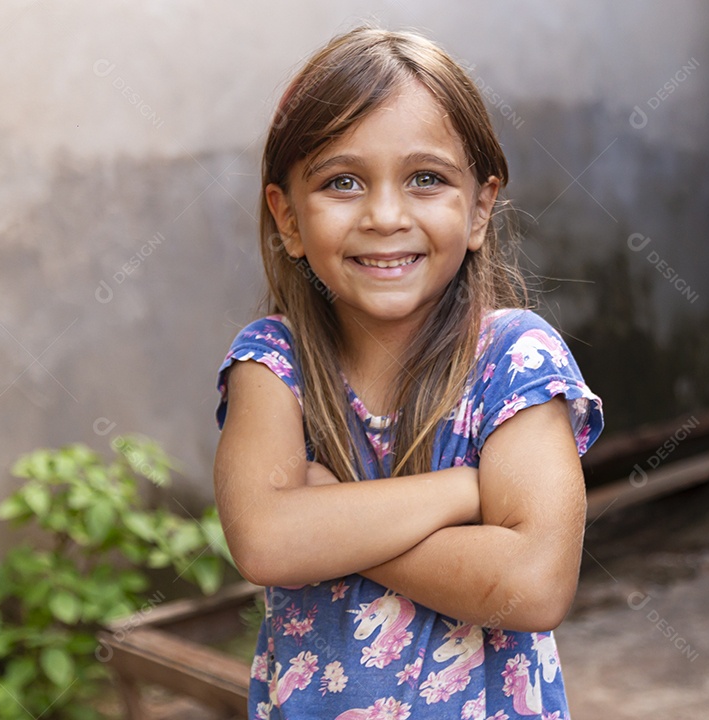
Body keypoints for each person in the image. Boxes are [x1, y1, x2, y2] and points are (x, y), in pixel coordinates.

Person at [213, 25, 604, 720]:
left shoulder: (515, 360)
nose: (386, 216)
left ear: (479, 208)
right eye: (342, 182)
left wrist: (330, 522)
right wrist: (462, 492)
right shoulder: (273, 364)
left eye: (427, 179)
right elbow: (267, 541)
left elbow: (533, 584)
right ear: (288, 217)